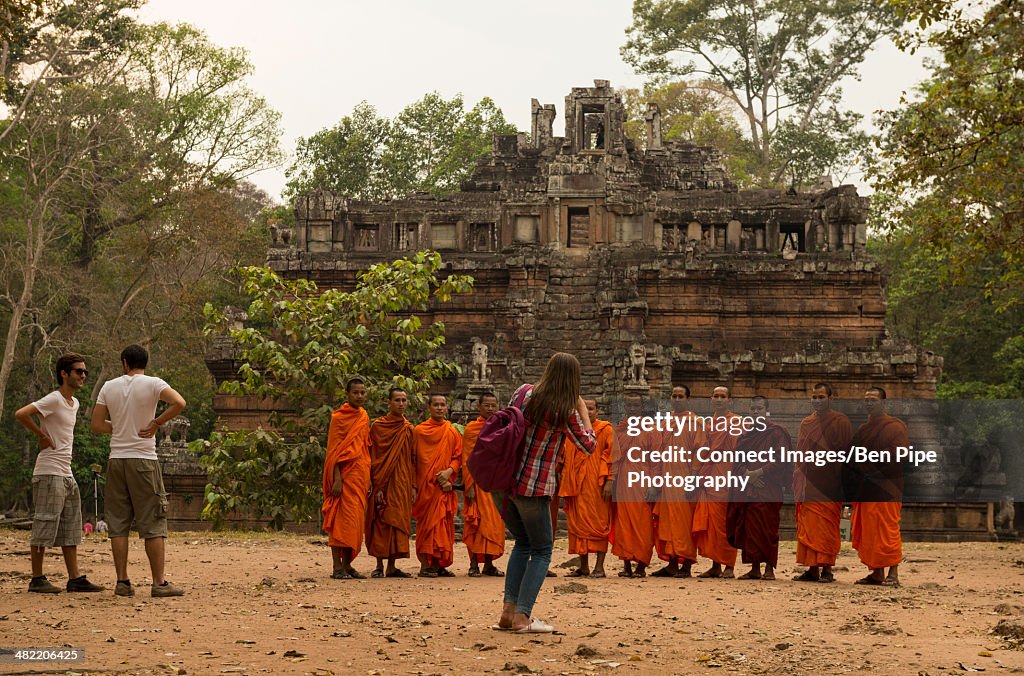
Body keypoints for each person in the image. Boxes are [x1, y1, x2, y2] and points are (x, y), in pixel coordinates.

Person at [496, 352, 595, 633]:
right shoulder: (564, 410)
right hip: (534, 487)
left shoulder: (522, 393)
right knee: (541, 550)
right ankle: (522, 617)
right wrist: (583, 410)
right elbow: (589, 445)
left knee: (522, 543)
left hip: (505, 484)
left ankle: (507, 612)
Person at [91, 344, 186, 597]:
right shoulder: (154, 384)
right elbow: (179, 402)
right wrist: (156, 423)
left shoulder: (109, 386)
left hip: (117, 460)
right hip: (144, 459)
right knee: (153, 521)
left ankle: (122, 582)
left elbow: (97, 424)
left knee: (118, 523)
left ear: (124, 363)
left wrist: (121, 426)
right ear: (145, 362)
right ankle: (158, 583)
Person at [16, 353, 104, 594]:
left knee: (70, 526)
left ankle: (74, 578)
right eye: (78, 371)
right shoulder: (53, 399)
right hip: (48, 471)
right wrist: (41, 435)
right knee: (44, 521)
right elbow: (21, 413)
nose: (83, 375)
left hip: (66, 472)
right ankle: (37, 578)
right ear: (64, 374)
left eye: (85, 371)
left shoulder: (74, 403)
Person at [726, 396, 792, 580]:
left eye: (759, 409)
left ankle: (769, 568)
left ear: (766, 411)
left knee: (768, 529)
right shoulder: (746, 436)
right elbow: (737, 461)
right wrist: (748, 474)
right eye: (753, 409)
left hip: (768, 487)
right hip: (749, 488)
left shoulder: (777, 432)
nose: (756, 412)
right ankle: (754, 567)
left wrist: (760, 472)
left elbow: (781, 458)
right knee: (750, 529)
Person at [792, 382, 851, 583]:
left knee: (826, 526)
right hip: (809, 482)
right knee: (809, 525)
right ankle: (812, 569)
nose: (817, 401)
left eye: (821, 397)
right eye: (814, 397)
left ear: (830, 399)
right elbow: (800, 452)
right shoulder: (806, 423)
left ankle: (826, 569)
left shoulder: (840, 421)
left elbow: (844, 453)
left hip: (829, 482)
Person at [850, 386, 907, 586]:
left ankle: (893, 573)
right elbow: (854, 456)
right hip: (867, 487)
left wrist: (875, 472)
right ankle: (876, 572)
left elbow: (899, 456)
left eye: (873, 399)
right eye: (866, 400)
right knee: (870, 530)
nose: (869, 403)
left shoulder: (895, 426)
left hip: (887, 486)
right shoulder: (863, 429)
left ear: (883, 403)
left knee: (887, 528)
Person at [651, 385, 704, 578]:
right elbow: (657, 453)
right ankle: (672, 563)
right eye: (674, 396)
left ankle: (687, 565)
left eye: (681, 396)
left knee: (684, 524)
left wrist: (693, 478)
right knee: (668, 523)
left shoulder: (695, 423)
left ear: (688, 400)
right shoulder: (665, 423)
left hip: (685, 479)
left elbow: (700, 452)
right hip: (667, 481)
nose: (677, 399)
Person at [322, 378, 372, 579]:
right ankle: (336, 567)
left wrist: (368, 477)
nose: (360, 396)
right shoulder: (339, 418)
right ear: (347, 394)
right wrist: (337, 478)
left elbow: (364, 447)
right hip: (343, 477)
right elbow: (334, 452)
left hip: (360, 476)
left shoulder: (364, 416)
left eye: (362, 392)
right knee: (340, 522)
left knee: (355, 523)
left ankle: (347, 565)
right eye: (356, 393)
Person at [560, 399, 613, 578]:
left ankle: (599, 566)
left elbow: (614, 456)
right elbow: (561, 455)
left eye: (591, 409)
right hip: (575, 485)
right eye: (585, 409)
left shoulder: (605, 430)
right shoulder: (570, 431)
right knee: (577, 525)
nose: (588, 412)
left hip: (597, 485)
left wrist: (610, 481)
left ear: (597, 411)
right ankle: (584, 566)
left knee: (599, 523)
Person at [366, 387, 415, 578]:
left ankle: (392, 566)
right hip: (381, 481)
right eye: (397, 400)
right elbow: (374, 456)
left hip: (402, 482)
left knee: (397, 521)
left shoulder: (408, 429)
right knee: (381, 520)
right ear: (389, 402)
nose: (401, 404)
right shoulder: (378, 426)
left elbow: (412, 459)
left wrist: (412, 486)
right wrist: (376, 484)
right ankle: (379, 565)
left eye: (404, 400)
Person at [692, 386, 741, 578]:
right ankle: (715, 565)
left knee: (725, 523)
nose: (719, 399)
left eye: (723, 396)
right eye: (716, 396)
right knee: (712, 523)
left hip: (727, 474)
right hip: (709, 473)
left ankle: (728, 565)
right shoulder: (708, 424)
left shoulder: (736, 422)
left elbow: (739, 451)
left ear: (730, 401)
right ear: (710, 399)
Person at [412, 395, 462, 577]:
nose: (440, 408)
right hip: (425, 486)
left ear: (447, 407)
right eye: (436, 405)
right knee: (426, 525)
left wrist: (449, 472)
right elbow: (414, 460)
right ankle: (425, 564)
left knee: (442, 523)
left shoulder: (452, 431)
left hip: (444, 486)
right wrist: (413, 485)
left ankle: (439, 564)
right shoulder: (419, 431)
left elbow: (458, 457)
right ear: (429, 407)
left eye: (443, 405)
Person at [608, 396, 657, 578]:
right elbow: (613, 457)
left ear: (643, 407)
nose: (633, 408)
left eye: (636, 405)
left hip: (643, 478)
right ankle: (627, 565)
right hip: (623, 480)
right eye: (629, 405)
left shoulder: (651, 430)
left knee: (643, 523)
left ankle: (642, 566)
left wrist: (653, 484)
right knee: (623, 522)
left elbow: (656, 459)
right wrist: (611, 480)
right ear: (624, 407)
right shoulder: (620, 429)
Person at [461, 392, 506, 577]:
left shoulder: (501, 427)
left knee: (494, 524)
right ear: (478, 407)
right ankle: (473, 564)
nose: (490, 408)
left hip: (495, 482)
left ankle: (488, 564)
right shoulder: (472, 429)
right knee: (476, 523)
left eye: (493, 405)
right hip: (477, 483)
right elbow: (467, 458)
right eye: (486, 405)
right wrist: (469, 485)